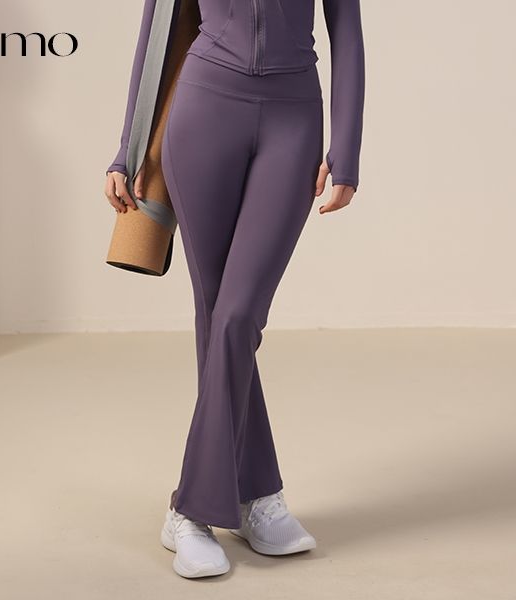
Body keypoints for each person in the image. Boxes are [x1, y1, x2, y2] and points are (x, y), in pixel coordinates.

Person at [104, 0, 365, 579]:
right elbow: (156, 32)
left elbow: (346, 31)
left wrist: (346, 150)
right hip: (203, 111)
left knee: (238, 315)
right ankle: (257, 498)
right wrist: (128, 149)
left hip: (294, 118)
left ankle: (190, 509)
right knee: (217, 313)